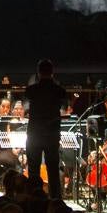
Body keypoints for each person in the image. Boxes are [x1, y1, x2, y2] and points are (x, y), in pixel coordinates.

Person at [24, 58, 69, 198]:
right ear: (52, 72)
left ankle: (34, 199)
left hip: (34, 134)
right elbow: (65, 106)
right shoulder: (59, 90)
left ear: (38, 72)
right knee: (53, 170)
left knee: (33, 171)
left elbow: (27, 105)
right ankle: (56, 200)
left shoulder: (31, 90)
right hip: (51, 134)